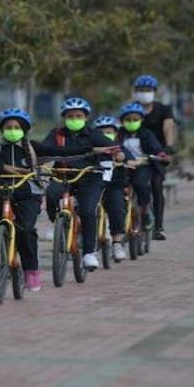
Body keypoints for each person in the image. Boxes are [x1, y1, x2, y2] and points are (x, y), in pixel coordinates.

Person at [0, 108, 96, 291]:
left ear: (24, 129)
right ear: (2, 129)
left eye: (16, 127)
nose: (12, 130)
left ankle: (31, 271)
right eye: (8, 127)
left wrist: (91, 150)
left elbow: (63, 151)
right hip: (2, 190)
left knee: (26, 230)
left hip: (29, 195)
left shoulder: (33, 147)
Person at [43, 97, 119, 271]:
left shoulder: (93, 135)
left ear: (85, 117)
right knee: (51, 193)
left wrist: (118, 155)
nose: (74, 119)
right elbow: (43, 149)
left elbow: (113, 148)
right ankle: (56, 223)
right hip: (62, 175)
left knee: (87, 210)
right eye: (70, 116)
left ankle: (89, 253)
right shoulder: (57, 134)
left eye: (78, 115)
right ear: (64, 117)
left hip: (89, 178)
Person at [132, 75, 175, 241]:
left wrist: (168, 148)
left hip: (158, 154)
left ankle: (159, 226)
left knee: (156, 184)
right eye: (141, 90)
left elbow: (168, 128)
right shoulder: (131, 109)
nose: (145, 93)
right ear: (136, 92)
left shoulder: (164, 109)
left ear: (154, 92)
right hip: (135, 155)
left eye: (148, 90)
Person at [118, 102, 169, 239]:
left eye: (135, 119)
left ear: (141, 120)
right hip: (123, 167)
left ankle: (145, 209)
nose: (131, 122)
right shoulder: (119, 134)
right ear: (122, 121)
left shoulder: (147, 134)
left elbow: (156, 148)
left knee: (141, 184)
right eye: (128, 120)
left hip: (143, 166)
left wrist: (161, 154)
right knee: (116, 188)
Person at [91, 115, 130, 262]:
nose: (105, 135)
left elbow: (128, 157)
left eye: (109, 131)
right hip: (93, 183)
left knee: (116, 207)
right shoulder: (92, 149)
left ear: (116, 133)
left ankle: (117, 243)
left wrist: (123, 158)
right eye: (100, 132)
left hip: (114, 184)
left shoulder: (118, 147)